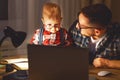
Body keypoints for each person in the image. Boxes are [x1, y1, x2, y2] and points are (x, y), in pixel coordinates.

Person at [69, 3, 120, 69]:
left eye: (81, 26)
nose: (76, 26)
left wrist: (108, 63)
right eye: (78, 21)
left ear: (97, 31)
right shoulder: (75, 29)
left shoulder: (117, 36)